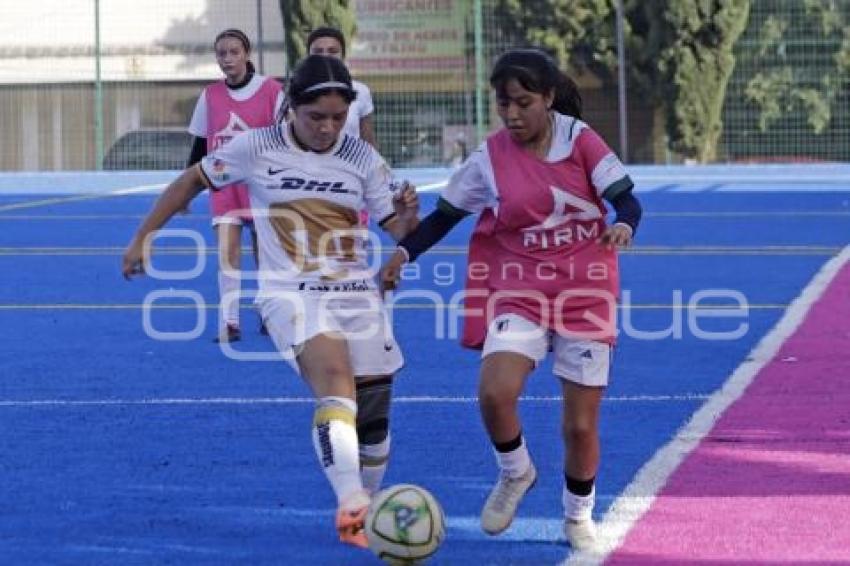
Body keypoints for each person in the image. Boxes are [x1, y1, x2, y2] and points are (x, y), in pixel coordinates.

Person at [122, 54, 420, 548]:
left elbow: (397, 228)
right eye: (316, 117)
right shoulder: (255, 147)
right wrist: (144, 236)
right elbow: (192, 179)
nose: (328, 128)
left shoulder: (362, 158)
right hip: (290, 293)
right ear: (290, 109)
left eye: (338, 118)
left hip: (355, 293)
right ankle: (350, 502)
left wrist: (408, 214)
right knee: (335, 384)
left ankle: (366, 505)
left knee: (374, 414)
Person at [380, 48, 642, 552]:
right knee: (495, 392)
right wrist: (402, 255)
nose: (513, 115)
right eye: (504, 105)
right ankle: (515, 471)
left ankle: (577, 514)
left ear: (547, 98)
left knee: (580, 425)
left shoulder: (580, 141)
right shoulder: (490, 157)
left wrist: (623, 223)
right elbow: (443, 217)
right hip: (519, 290)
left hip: (586, 290)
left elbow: (627, 198)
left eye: (523, 103)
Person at [186, 28, 285, 342]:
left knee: (265, 254)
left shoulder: (270, 90)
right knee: (227, 253)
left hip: (261, 185)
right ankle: (230, 322)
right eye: (221, 53)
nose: (227, 59)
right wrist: (187, 188)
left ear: (247, 54)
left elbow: (287, 139)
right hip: (224, 186)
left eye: (233, 52)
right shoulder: (210, 95)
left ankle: (270, 314)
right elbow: (200, 146)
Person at [305, 27, 377, 148]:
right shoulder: (298, 92)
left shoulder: (360, 91)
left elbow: (368, 141)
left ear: (343, 56)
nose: (325, 56)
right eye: (318, 51)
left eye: (332, 51)